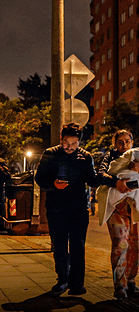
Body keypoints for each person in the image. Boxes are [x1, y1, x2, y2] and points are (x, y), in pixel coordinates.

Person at [35, 123, 99, 296]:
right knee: (60, 245)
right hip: (56, 207)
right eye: (66, 143)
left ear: (79, 142)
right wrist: (53, 185)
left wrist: (104, 176)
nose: (69, 147)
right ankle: (62, 279)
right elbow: (39, 178)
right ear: (61, 140)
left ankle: (77, 283)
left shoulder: (86, 157)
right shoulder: (50, 154)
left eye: (73, 144)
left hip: (78, 208)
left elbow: (92, 180)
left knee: (78, 245)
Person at [96, 129, 139, 299]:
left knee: (136, 246)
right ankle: (119, 285)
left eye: (127, 141)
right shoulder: (109, 157)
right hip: (118, 208)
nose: (124, 145)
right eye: (120, 142)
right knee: (120, 245)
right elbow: (99, 175)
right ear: (114, 143)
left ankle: (131, 280)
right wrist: (115, 182)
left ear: (132, 142)